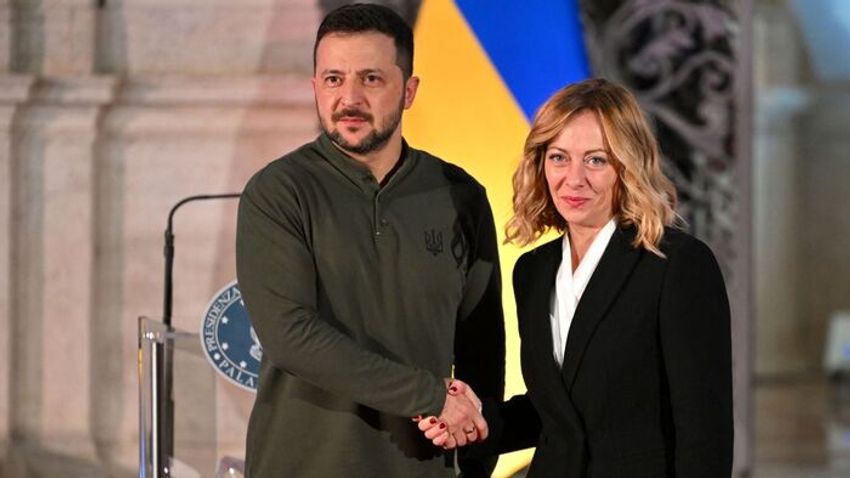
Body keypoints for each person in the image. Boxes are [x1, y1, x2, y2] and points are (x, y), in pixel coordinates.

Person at [235, 3, 504, 477]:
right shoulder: (278, 192)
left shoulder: (460, 195)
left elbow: (482, 348)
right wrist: (430, 397)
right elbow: (291, 335)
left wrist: (477, 462)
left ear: (409, 91)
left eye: (371, 79)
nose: (349, 98)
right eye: (333, 79)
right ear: (315, 87)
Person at [419, 78, 733, 477]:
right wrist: (477, 419)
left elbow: (705, 433)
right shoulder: (533, 271)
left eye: (596, 160)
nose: (574, 178)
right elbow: (556, 412)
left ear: (628, 166)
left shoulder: (678, 265)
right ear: (540, 163)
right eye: (559, 157)